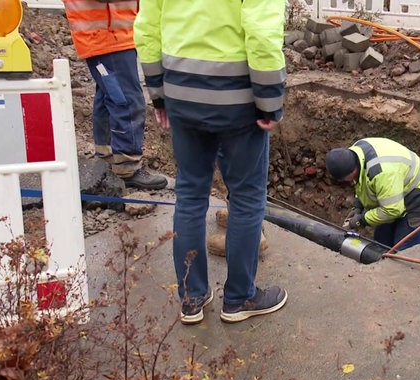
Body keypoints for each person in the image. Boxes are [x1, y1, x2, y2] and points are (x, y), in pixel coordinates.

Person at [134, 0, 288, 325]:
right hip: (238, 99)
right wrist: (269, 101)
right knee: (246, 200)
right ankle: (239, 298)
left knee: (190, 196)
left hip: (181, 93)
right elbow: (262, 32)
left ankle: (191, 299)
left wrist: (158, 94)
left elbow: (147, 27)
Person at [62, 0, 167, 190]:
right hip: (106, 37)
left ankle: (107, 157)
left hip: (110, 37)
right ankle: (127, 167)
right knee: (127, 101)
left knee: (109, 96)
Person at [325, 137, 420, 250]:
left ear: (353, 170)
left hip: (418, 195)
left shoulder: (381, 173)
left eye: (345, 178)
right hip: (393, 192)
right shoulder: (355, 153)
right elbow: (362, 181)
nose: (346, 182)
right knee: (381, 243)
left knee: (403, 250)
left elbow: (392, 210)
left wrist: (362, 220)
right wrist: (358, 204)